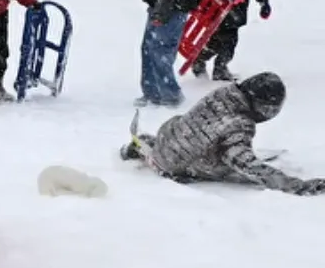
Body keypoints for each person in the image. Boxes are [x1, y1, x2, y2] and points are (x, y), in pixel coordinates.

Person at [121, 72, 325, 195]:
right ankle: (170, 157)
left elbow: (206, 128)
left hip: (169, 135)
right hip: (178, 165)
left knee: (199, 134)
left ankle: (148, 146)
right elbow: (244, 164)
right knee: (231, 167)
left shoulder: (226, 94)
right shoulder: (240, 124)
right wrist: (294, 185)